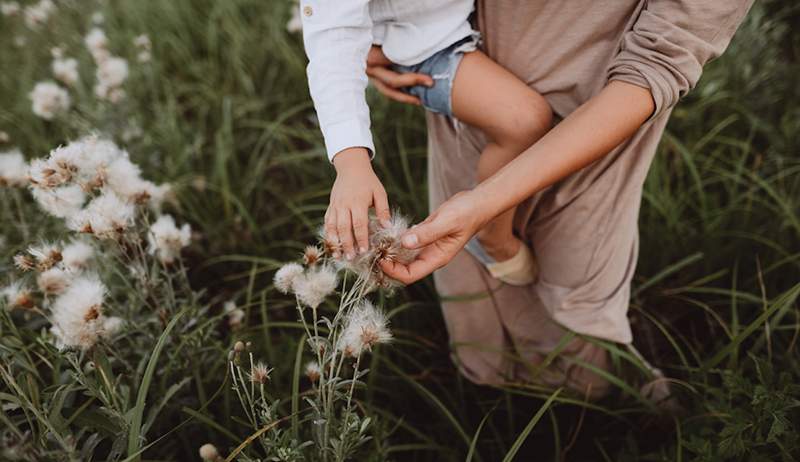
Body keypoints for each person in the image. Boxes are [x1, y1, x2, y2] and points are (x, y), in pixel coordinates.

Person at [369, 1, 755, 397]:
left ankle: (614, 408)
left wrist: (492, 215)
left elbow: (659, 63)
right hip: (477, 116)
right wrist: (385, 34)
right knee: (478, 338)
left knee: (580, 352)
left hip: (593, 156)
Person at [300, 0, 552, 287]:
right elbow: (332, 38)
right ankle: (492, 234)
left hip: (467, 16)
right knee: (523, 120)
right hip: (425, 44)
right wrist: (351, 162)